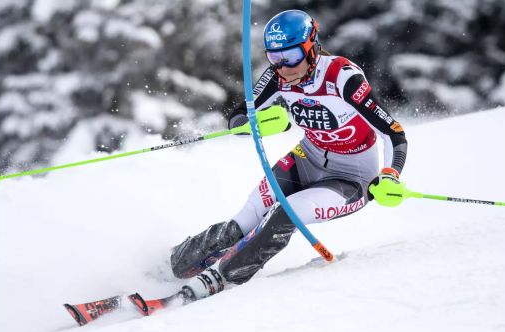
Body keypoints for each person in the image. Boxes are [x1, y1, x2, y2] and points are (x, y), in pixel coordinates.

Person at [170, 9, 408, 298]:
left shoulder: (342, 77)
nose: (283, 67)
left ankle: (221, 278)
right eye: (274, 57)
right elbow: (236, 120)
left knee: (285, 215)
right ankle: (175, 262)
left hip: (351, 179)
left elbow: (393, 132)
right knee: (244, 222)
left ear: (311, 47)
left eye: (292, 55)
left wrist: (391, 175)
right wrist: (258, 125)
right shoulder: (277, 76)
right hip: (306, 160)